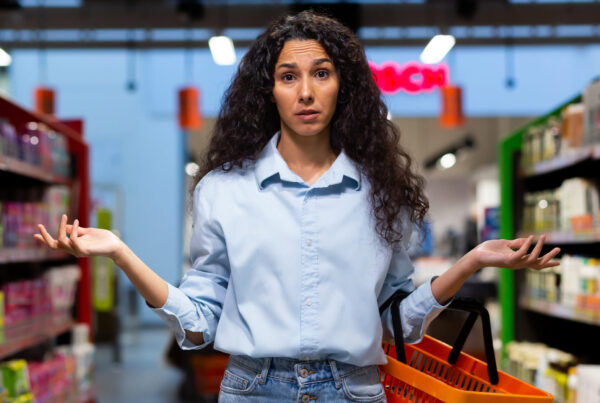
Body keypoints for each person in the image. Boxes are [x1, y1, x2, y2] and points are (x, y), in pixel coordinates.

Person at [34, 11, 560, 403]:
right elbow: (197, 327)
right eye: (289, 77)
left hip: (355, 391)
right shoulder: (224, 189)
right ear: (270, 91)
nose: (306, 92)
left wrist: (470, 262)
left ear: (343, 87)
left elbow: (397, 320)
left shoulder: (383, 192)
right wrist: (122, 253)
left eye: (322, 74)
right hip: (252, 388)